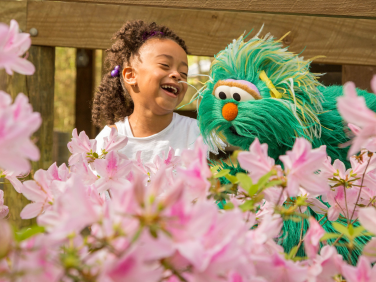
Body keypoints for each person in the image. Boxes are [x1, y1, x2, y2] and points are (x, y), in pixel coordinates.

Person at [92, 20, 200, 166]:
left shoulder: (195, 132)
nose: (177, 75)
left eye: (184, 73)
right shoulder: (109, 140)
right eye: (165, 65)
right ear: (130, 76)